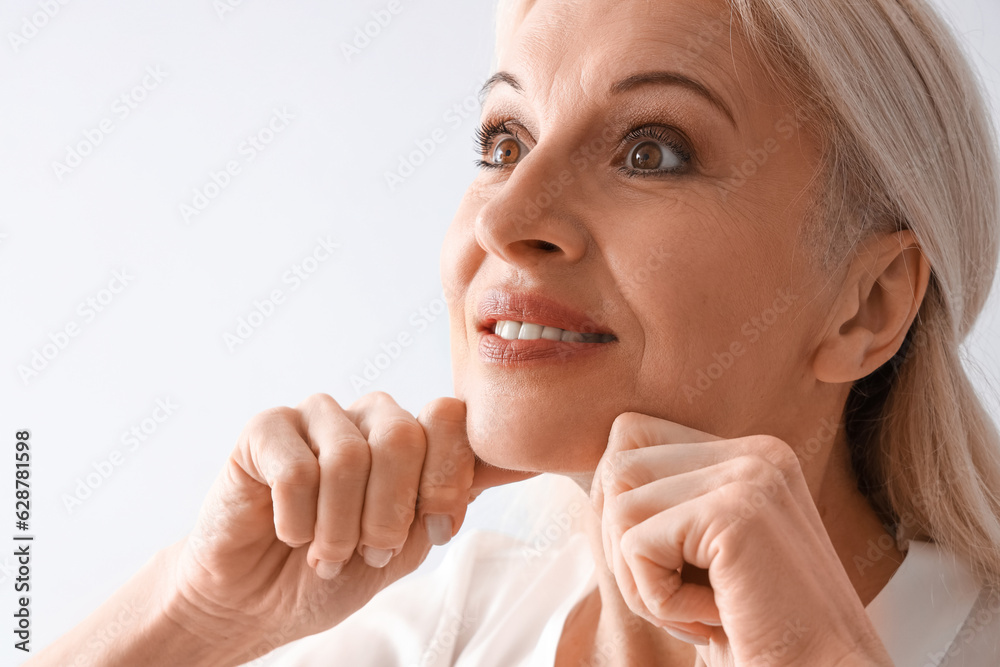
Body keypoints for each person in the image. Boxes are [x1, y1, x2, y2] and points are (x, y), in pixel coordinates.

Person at [27, 0, 1000, 664]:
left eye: (650, 149)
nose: (503, 217)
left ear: (867, 303)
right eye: (504, 141)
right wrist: (196, 617)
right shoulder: (451, 626)